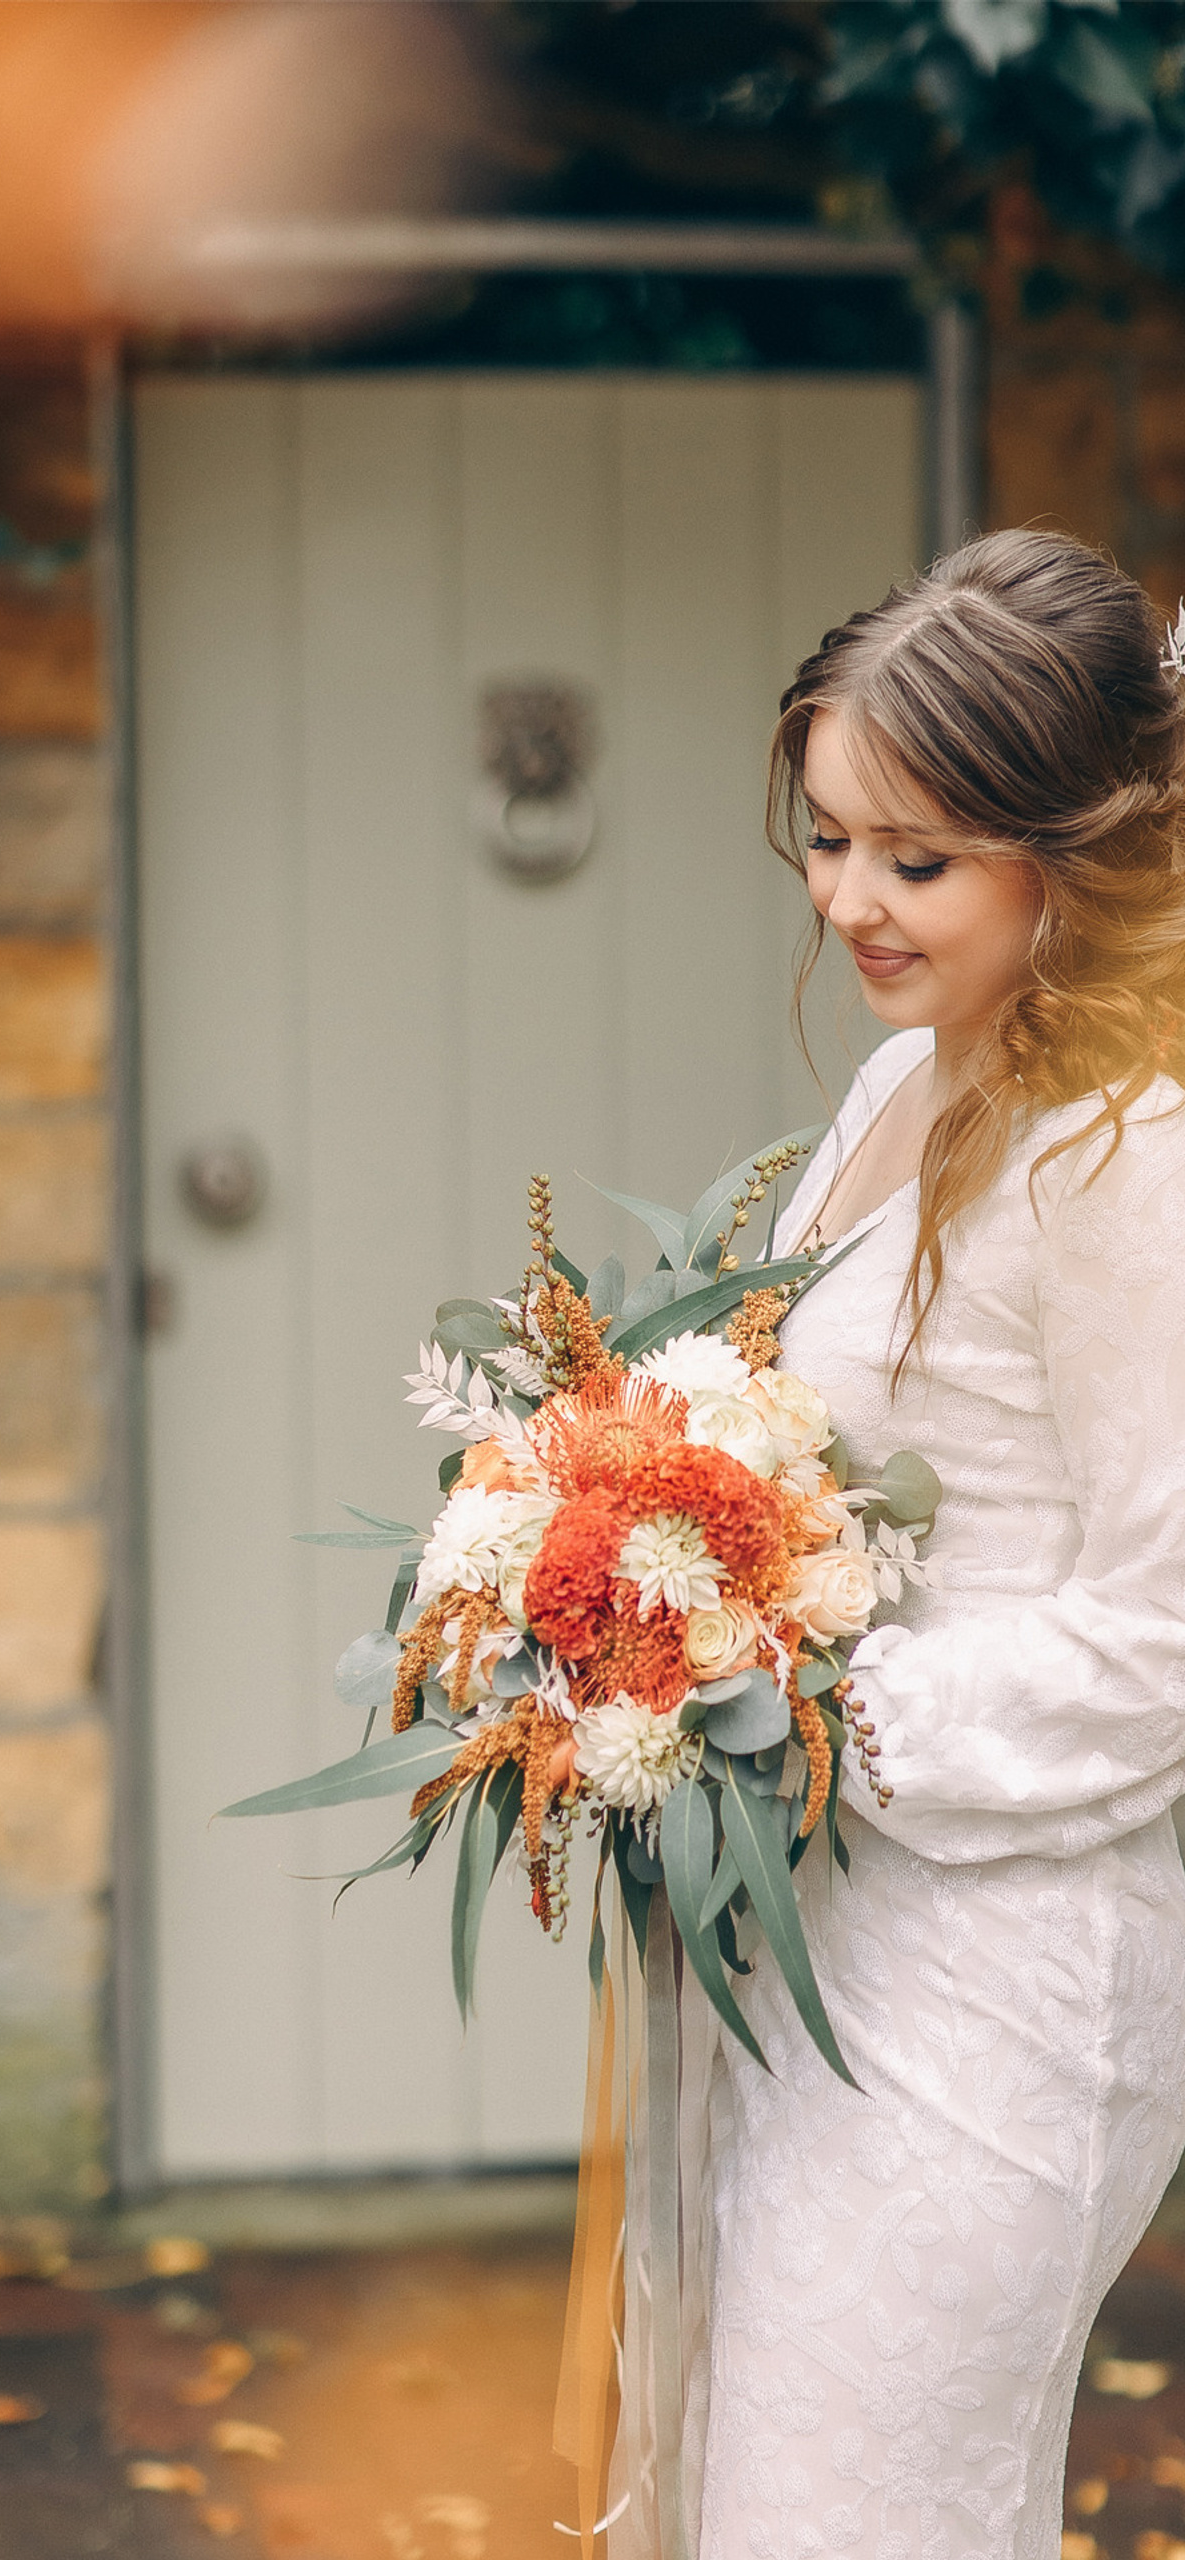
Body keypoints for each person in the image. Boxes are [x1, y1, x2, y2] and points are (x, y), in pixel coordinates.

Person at [692, 528, 1185, 2556]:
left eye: (914, 858)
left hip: (1009, 1960)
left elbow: (1163, 1631)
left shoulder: (1127, 1152)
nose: (844, 901)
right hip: (831, 1922)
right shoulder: (904, 1080)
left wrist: (816, 1712)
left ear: (1068, 853)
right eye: (825, 840)